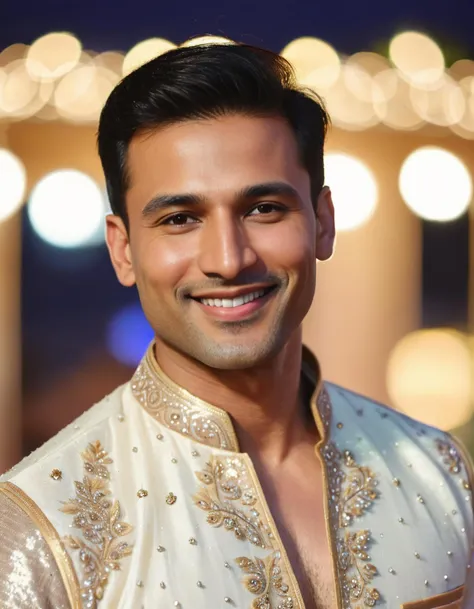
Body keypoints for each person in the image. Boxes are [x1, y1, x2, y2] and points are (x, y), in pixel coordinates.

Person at [0, 41, 473, 609]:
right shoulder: (40, 526)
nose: (228, 259)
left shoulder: (439, 472)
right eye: (180, 219)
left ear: (322, 222)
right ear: (123, 250)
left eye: (263, 209)